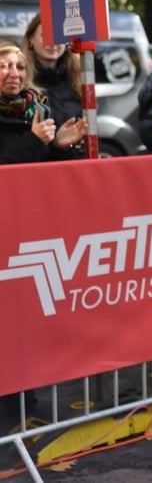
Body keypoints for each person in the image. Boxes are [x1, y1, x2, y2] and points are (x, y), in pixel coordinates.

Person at [0, 38, 86, 418]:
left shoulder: (35, 107)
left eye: (19, 67)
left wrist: (60, 146)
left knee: (22, 318)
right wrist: (35, 142)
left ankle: (22, 400)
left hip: (26, 230)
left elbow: (38, 163)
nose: (13, 74)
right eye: (4, 67)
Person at [21, 14, 84, 159]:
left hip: (73, 168)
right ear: (31, 39)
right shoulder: (19, 81)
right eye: (45, 36)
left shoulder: (77, 80)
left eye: (58, 37)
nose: (52, 43)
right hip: (36, 170)